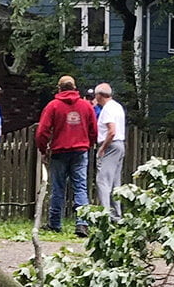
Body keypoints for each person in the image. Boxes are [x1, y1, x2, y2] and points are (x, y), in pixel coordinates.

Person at [34, 74, 98, 234]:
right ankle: (82, 223)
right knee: (80, 187)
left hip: (59, 151)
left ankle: (55, 223)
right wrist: (88, 144)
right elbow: (94, 130)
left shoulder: (53, 106)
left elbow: (42, 131)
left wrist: (43, 149)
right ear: (75, 88)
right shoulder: (86, 106)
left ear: (59, 88)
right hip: (80, 151)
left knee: (58, 188)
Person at [92, 82, 127, 218]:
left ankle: (106, 215)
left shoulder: (107, 110)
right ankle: (116, 215)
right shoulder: (117, 107)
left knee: (103, 181)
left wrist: (103, 148)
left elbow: (111, 131)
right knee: (114, 182)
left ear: (100, 95)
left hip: (110, 146)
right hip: (120, 144)